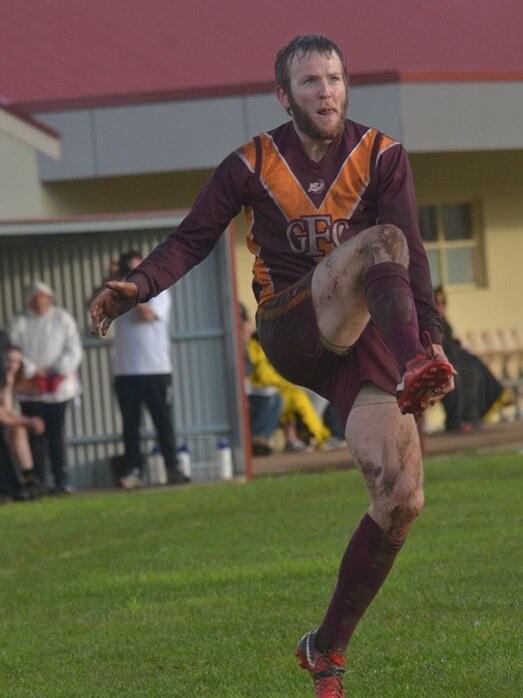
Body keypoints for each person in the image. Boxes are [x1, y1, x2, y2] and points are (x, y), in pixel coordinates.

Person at [90, 34, 455, 697]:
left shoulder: (382, 155)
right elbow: (190, 238)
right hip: (290, 324)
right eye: (311, 82)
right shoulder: (251, 162)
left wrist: (428, 334)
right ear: (283, 96)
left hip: (364, 342)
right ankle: (410, 369)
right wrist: (137, 287)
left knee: (402, 499)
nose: (327, 92)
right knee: (381, 241)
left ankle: (326, 651)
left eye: (336, 79)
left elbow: (415, 258)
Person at [96, 251, 188, 489]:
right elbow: (94, 310)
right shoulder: (115, 294)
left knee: (163, 421)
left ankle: (173, 468)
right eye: (129, 270)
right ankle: (133, 470)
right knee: (130, 424)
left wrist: (133, 291)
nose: (134, 275)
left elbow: (148, 315)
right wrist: (111, 282)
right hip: (126, 370)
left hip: (155, 367)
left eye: (138, 269)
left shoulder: (158, 291)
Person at [9, 280, 83, 494]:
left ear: (49, 299)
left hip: (58, 388)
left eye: (43, 298)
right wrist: (34, 371)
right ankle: (40, 480)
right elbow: (14, 351)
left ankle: (61, 479)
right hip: (31, 390)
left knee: (56, 434)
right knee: (35, 435)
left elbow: (74, 349)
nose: (39, 302)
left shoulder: (62, 318)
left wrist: (57, 371)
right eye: (34, 298)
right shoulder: (19, 322)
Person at [434, 286, 508, 431]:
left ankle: (473, 417)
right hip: (441, 362)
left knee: (476, 368)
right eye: (438, 304)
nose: (441, 308)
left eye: (443, 305)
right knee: (459, 375)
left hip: (455, 358)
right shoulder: (430, 322)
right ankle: (457, 421)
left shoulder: (445, 323)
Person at [0, 345, 45, 495]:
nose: (12, 366)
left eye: (16, 362)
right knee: (20, 429)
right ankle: (26, 478)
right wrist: (28, 422)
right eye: (8, 361)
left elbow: (8, 412)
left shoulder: (10, 380)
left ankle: (29, 478)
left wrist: (30, 421)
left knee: (20, 430)